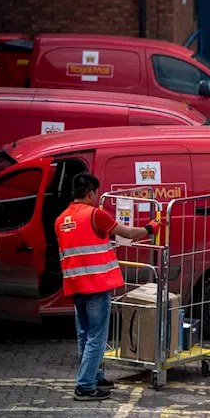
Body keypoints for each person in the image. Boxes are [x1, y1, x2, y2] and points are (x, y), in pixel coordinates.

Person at [55, 172, 159, 401]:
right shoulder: (95, 215)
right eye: (96, 194)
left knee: (85, 335)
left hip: (75, 285)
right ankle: (84, 386)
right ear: (91, 193)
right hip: (96, 285)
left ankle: (94, 377)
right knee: (97, 337)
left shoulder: (61, 219)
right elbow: (128, 234)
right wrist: (151, 228)